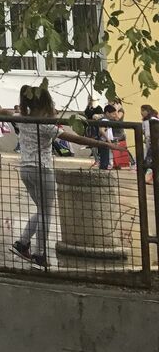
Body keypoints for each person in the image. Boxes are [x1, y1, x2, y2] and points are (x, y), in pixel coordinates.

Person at [11, 84, 126, 269]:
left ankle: (22, 243)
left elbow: (6, 112)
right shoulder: (46, 126)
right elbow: (76, 138)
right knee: (46, 213)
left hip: (26, 169)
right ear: (45, 103)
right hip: (42, 169)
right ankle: (39, 254)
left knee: (41, 210)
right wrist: (105, 144)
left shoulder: (21, 119)